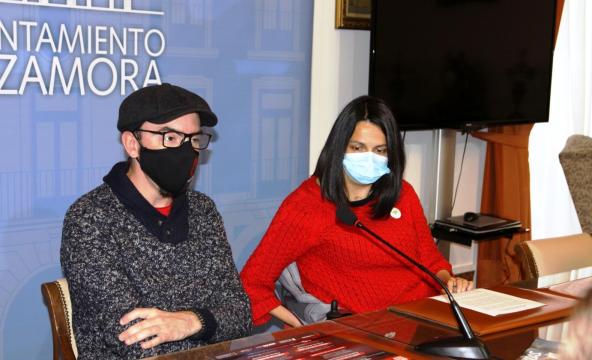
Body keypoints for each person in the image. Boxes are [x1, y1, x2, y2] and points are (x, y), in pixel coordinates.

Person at [240, 95, 472, 327]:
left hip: (421, 318)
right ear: (339, 147)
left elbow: (430, 260)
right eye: (358, 147)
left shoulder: (402, 194)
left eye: (380, 150)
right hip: (363, 330)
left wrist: (449, 281)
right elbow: (252, 282)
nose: (369, 158)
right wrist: (301, 326)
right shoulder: (306, 205)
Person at [60, 83, 252, 359]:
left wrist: (187, 322)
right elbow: (133, 338)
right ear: (132, 144)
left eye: (193, 139)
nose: (185, 150)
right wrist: (206, 323)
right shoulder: (89, 219)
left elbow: (240, 314)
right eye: (170, 137)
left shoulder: (203, 210)